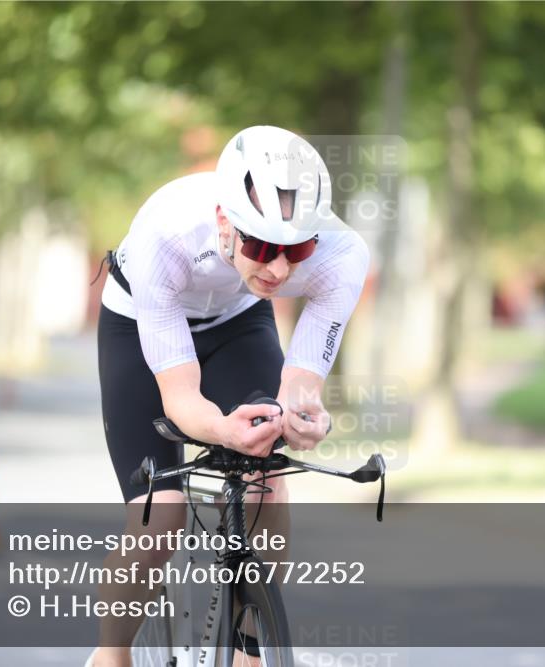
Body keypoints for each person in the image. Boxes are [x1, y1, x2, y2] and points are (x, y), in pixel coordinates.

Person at [91, 125, 370, 666]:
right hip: (139, 321)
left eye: (297, 249)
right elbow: (181, 400)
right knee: (161, 516)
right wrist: (222, 429)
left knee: (265, 478)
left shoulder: (341, 256)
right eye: (262, 246)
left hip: (237, 320)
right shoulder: (166, 233)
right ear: (225, 219)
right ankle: (112, 653)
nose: (279, 269)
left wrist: (304, 416)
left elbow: (301, 387)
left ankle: (247, 643)